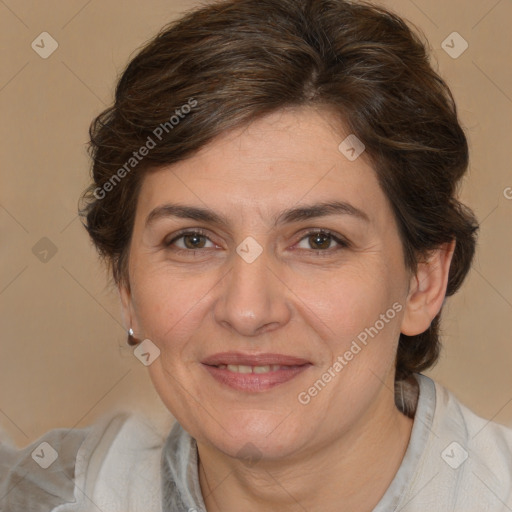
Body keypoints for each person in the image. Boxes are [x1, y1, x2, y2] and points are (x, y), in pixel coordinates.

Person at [1, 0, 511, 510]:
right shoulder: (46, 497)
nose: (247, 311)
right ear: (127, 288)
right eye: (193, 240)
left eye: (319, 240)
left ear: (422, 282)